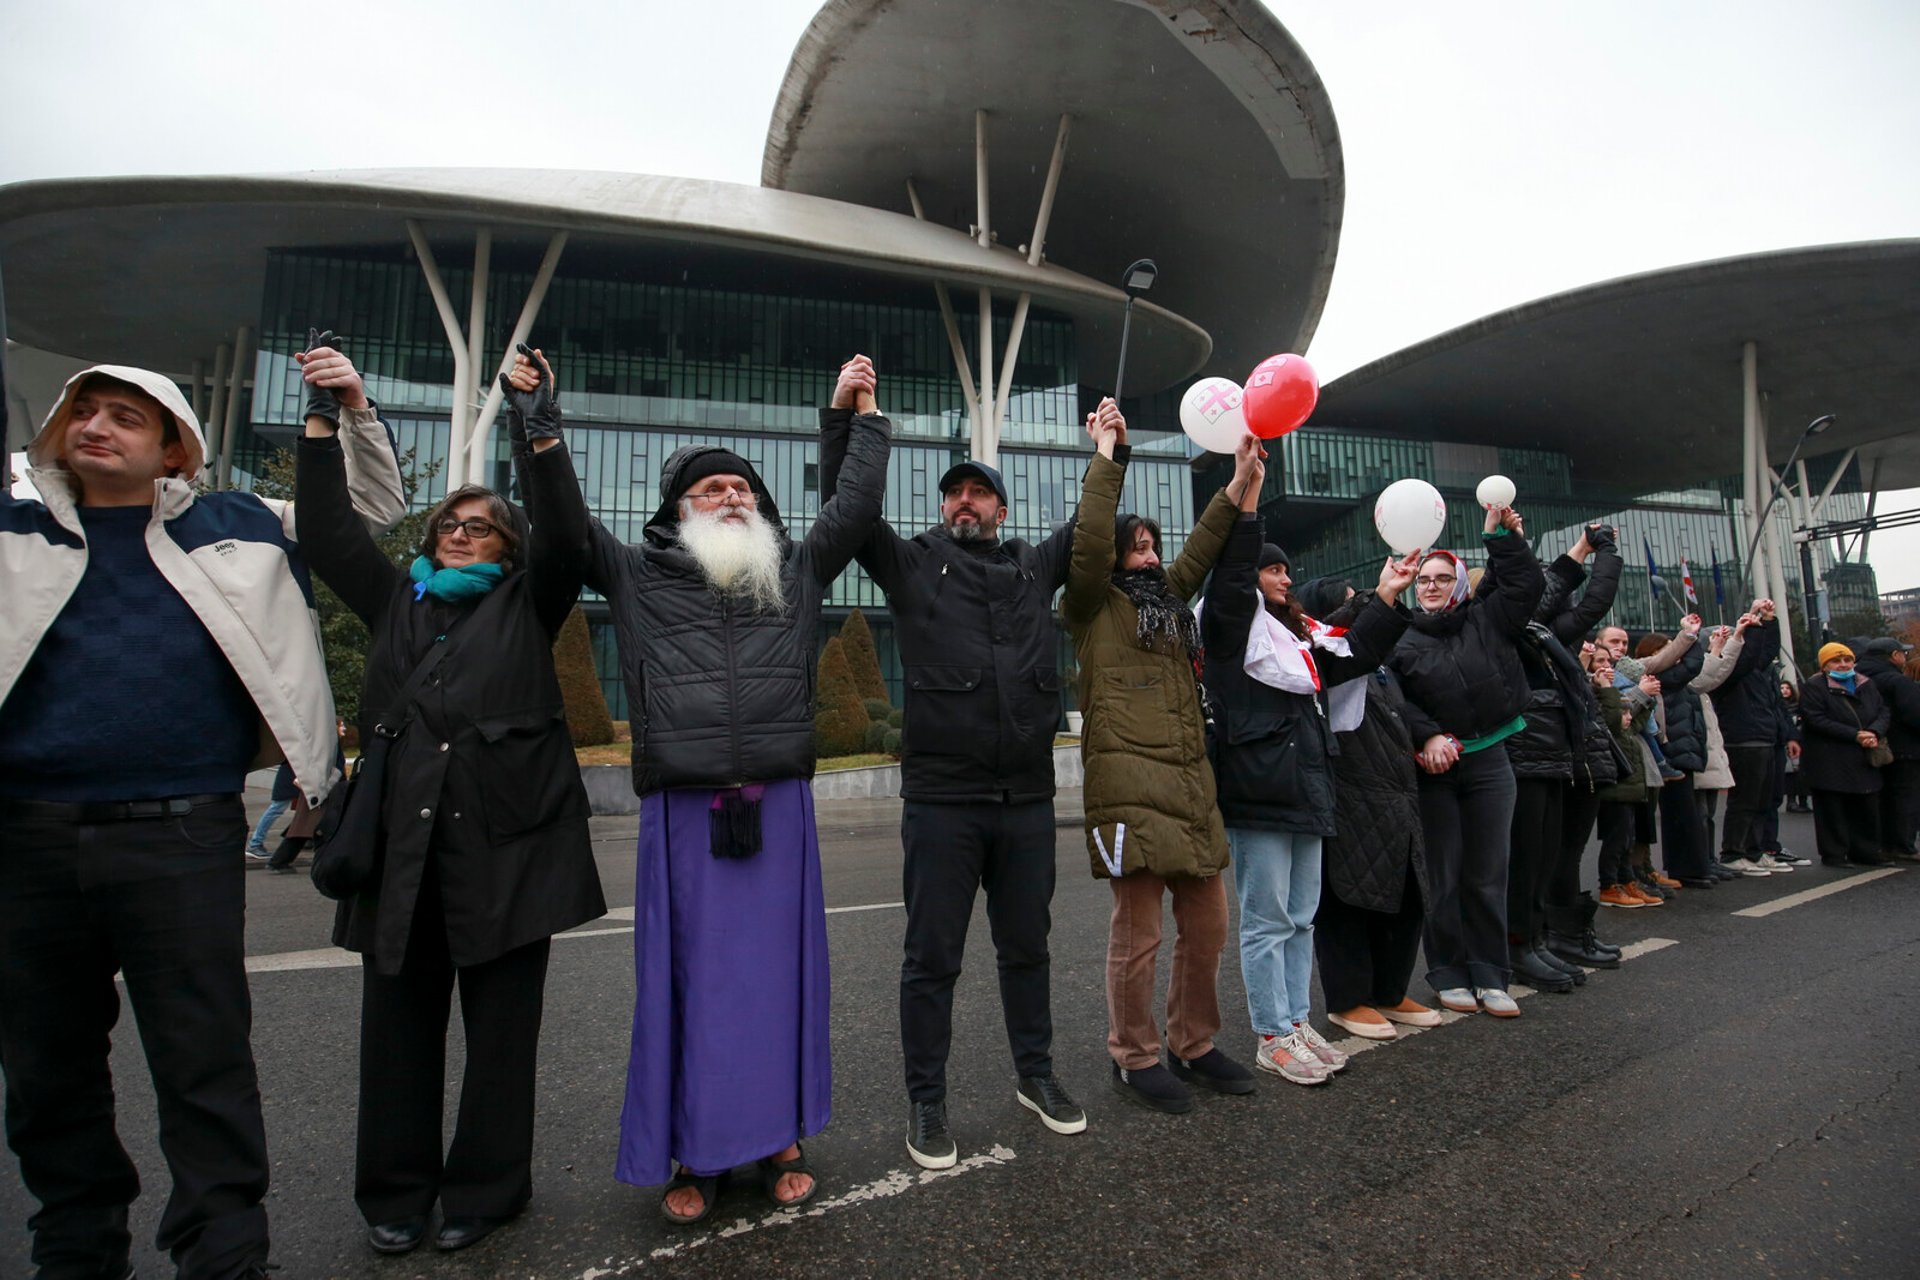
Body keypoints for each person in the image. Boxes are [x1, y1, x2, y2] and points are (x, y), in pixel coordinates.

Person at [0, 355, 403, 1279]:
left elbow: (372, 514)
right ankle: (76, 1239)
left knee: (202, 1055)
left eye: (126, 420)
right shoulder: (12, 528)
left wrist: (353, 412)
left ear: (175, 448)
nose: (98, 428)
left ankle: (223, 1249)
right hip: (26, 834)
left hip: (181, 832)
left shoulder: (245, 524)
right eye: (85, 413)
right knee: (46, 1064)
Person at [555, 351, 889, 1222]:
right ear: (677, 511)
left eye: (741, 488)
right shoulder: (632, 576)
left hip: (778, 808)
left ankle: (782, 1135)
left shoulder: (799, 573)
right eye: (711, 490)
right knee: (690, 986)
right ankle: (692, 1152)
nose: (731, 496)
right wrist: (536, 423)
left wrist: (860, 417)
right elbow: (562, 521)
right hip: (685, 811)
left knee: (777, 983)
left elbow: (852, 512)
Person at [297, 342, 605, 1255]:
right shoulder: (396, 602)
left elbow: (570, 535)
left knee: (501, 1042)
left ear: (508, 546)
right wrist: (329, 420)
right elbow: (327, 535)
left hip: (507, 855)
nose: (463, 533)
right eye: (451, 524)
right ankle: (395, 1193)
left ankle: (487, 1190)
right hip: (401, 854)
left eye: (483, 526)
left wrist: (535, 422)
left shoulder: (531, 600)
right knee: (397, 1036)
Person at [818, 366, 1084, 1168]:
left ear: (1001, 510)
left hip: (1026, 801)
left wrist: (1109, 454)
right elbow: (848, 509)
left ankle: (1035, 1076)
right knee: (932, 958)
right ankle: (926, 1103)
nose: (963, 502)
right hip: (942, 802)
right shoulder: (912, 565)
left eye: (979, 494)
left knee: (1027, 949)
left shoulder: (1033, 572)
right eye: (953, 493)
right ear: (942, 507)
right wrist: (848, 421)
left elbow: (1090, 526)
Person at [1064, 405, 1260, 1110]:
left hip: (1187, 789)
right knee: (1139, 933)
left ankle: (1194, 1042)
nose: (1148, 557)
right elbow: (1087, 544)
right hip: (1126, 793)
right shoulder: (1090, 608)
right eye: (1136, 547)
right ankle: (1134, 1054)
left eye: (1152, 546)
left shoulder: (1171, 609)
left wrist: (1238, 483)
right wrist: (1109, 455)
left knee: (1208, 925)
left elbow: (1204, 546)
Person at [1215, 556, 1418, 1064]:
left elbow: (1352, 650)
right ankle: (1271, 1036)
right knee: (1267, 920)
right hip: (1259, 795)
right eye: (1272, 570)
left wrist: (1387, 592)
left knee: (1302, 918)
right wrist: (1246, 495)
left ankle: (1298, 1023)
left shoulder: (1299, 642)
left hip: (1309, 789)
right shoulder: (1232, 631)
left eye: (1287, 570)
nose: (1287, 580)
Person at [1387, 504, 1544, 1017]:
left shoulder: (1486, 619)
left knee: (1487, 873)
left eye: (1441, 578)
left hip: (1491, 762)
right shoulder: (1401, 636)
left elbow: (1525, 587)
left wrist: (1504, 539)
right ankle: (1449, 971)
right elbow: (1392, 698)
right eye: (1424, 580)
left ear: (1458, 583)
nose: (1431, 587)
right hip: (1435, 772)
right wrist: (1428, 735)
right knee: (1444, 876)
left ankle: (1491, 974)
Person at [1502, 523, 1621, 992]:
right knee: (1528, 858)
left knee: (1556, 851)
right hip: (1525, 750)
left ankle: (1543, 940)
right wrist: (1581, 550)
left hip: (1558, 753)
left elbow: (1593, 603)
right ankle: (1522, 946)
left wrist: (1605, 552)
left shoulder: (1543, 633)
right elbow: (1545, 592)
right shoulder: (1505, 624)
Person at [1797, 643, 1892, 867]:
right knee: (1833, 808)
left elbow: (1883, 711)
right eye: (1836, 661)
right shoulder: (1814, 686)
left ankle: (1867, 851)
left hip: (1864, 754)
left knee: (1866, 806)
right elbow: (1816, 719)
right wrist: (1854, 734)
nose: (1843, 665)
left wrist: (1874, 731)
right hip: (1830, 757)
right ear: (1824, 665)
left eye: (1847, 660)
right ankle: (1835, 854)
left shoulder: (1866, 684)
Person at [1855, 637, 1920, 859]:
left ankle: (1880, 843)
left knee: (1880, 798)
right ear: (1894, 655)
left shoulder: (1858, 679)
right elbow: (1914, 715)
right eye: (1903, 653)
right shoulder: (1898, 681)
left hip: (1865, 745)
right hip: (1904, 748)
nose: (1905, 657)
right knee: (1905, 797)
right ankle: (1902, 845)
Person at [244, 761, 298, 863]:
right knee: (276, 809)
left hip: (292, 775)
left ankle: (255, 844)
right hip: (293, 776)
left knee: (276, 809)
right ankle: (255, 844)